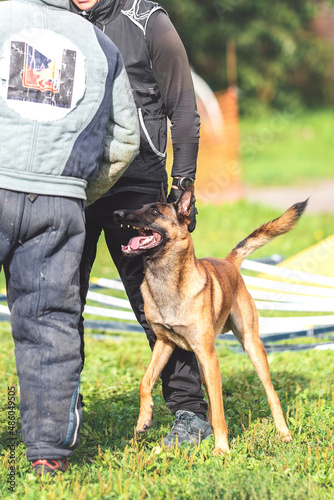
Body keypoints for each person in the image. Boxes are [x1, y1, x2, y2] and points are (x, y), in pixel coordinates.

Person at [0, 0, 139, 476]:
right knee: (50, 321)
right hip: (60, 202)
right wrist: (77, 189)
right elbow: (126, 138)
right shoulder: (100, 44)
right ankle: (47, 454)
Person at [70, 0, 213, 446]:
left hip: (136, 180)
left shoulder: (147, 18)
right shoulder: (50, 14)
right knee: (60, 296)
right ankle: (60, 406)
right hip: (68, 177)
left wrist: (183, 180)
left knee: (159, 298)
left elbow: (183, 106)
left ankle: (190, 411)